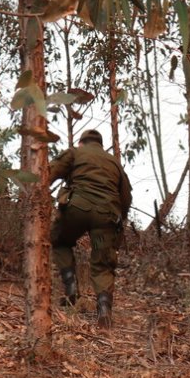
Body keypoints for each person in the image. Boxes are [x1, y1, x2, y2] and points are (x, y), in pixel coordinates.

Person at [48, 129, 132, 327]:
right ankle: (103, 309)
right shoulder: (115, 163)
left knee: (60, 241)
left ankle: (71, 288)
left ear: (81, 143)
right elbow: (126, 198)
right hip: (106, 216)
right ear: (100, 145)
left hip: (77, 209)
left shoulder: (75, 153)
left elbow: (49, 173)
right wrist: (119, 221)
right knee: (103, 264)